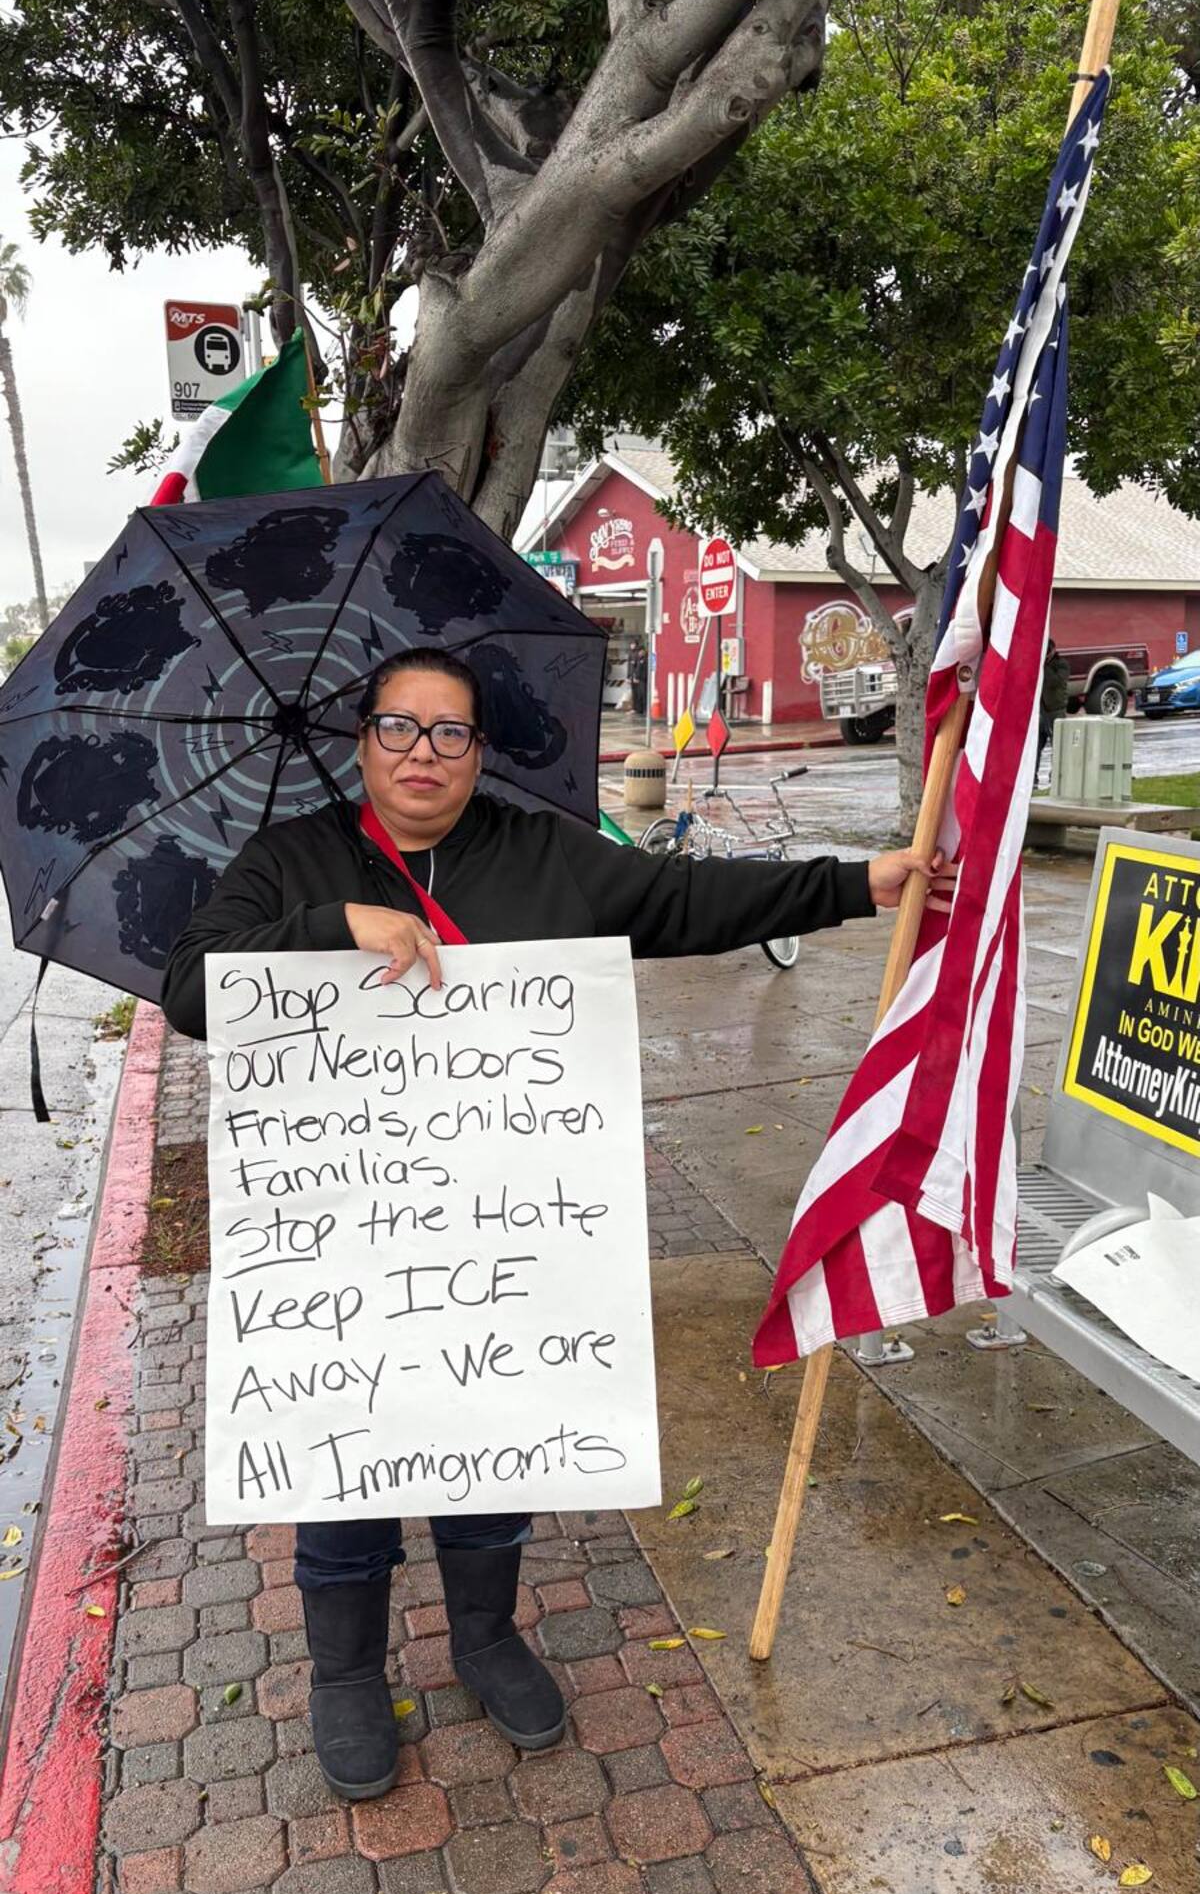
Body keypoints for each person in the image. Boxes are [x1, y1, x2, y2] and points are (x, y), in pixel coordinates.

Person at [162, 646, 949, 1802]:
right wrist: (338, 926)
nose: (422, 753)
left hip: (501, 1224)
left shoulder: (538, 855)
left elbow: (688, 903)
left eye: (450, 732)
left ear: (481, 752)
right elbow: (191, 986)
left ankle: (484, 1637)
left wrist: (856, 883)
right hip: (342, 1239)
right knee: (344, 1460)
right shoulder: (292, 859)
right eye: (398, 727)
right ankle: (345, 1673)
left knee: (491, 1433)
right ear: (359, 740)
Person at [1035, 637, 1070, 786]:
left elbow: (1054, 682)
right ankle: (1032, 777)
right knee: (1036, 746)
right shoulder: (1039, 665)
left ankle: (1056, 776)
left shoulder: (1061, 665)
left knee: (1058, 747)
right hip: (1041, 711)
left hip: (1056, 711)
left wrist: (1044, 665)